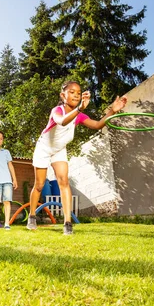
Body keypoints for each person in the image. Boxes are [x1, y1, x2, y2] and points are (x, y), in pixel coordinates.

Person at [27, 81, 127, 235]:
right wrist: (79, 108)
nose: (76, 94)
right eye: (72, 92)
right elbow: (62, 120)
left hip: (59, 150)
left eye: (79, 93)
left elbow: (98, 124)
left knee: (64, 182)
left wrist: (112, 111)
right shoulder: (57, 110)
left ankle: (67, 223)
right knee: (39, 185)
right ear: (63, 95)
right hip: (44, 148)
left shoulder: (79, 115)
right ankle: (32, 216)